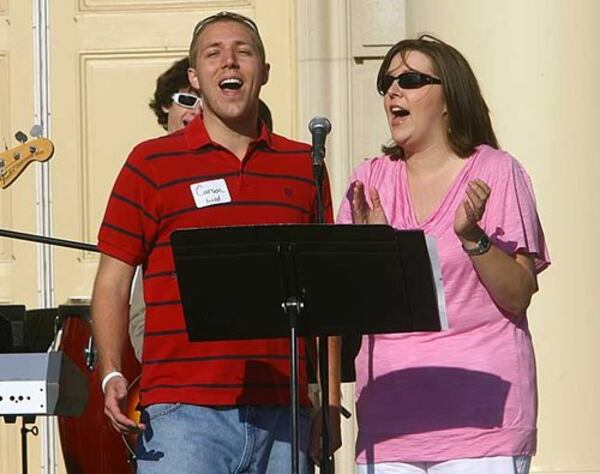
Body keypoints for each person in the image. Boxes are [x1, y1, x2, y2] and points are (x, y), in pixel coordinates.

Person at [91, 11, 340, 473]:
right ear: (195, 76)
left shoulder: (304, 164)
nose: (229, 63)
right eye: (214, 54)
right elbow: (112, 278)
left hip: (285, 412)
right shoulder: (150, 163)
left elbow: (322, 296)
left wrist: (327, 397)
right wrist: (111, 370)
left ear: (264, 72)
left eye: (243, 52)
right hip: (182, 414)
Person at [337, 35, 550, 474]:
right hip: (390, 425)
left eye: (411, 79)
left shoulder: (495, 170)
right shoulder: (369, 180)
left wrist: (472, 236)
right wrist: (374, 250)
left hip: (482, 424)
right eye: (387, 81)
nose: (394, 90)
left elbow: (518, 294)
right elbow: (348, 310)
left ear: (450, 97)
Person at [129, 57, 273, 362]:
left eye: (203, 102)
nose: (195, 110)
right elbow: (139, 318)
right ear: (166, 106)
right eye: (186, 100)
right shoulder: (145, 166)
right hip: (179, 381)